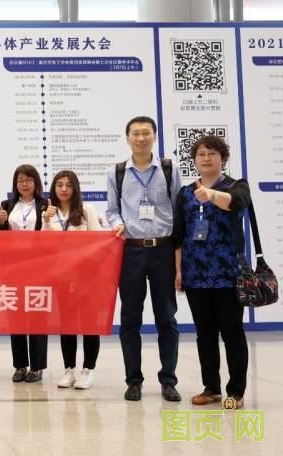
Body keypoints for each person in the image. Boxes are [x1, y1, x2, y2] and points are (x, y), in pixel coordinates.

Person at [105, 116, 182, 402]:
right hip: (131, 251)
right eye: (135, 134)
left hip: (163, 249)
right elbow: (112, 210)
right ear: (127, 139)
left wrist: (179, 257)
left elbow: (179, 210)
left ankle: (168, 380)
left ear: (154, 136)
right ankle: (133, 380)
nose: (141, 138)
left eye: (146, 133)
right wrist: (117, 224)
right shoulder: (117, 172)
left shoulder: (169, 169)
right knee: (130, 318)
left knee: (167, 318)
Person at [172, 135, 250, 408]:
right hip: (195, 274)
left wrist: (212, 195)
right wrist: (178, 270)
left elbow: (235, 203)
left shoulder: (236, 186)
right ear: (194, 160)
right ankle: (211, 388)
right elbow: (179, 235)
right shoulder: (185, 193)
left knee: (232, 332)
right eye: (201, 154)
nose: (206, 158)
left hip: (227, 273)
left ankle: (236, 391)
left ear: (222, 158)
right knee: (204, 334)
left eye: (212, 153)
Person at [41, 170, 102, 390]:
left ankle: (88, 369)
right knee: (67, 324)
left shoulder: (86, 210)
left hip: (86, 277)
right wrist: (46, 221)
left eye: (68, 185)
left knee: (89, 323)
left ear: (75, 188)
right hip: (62, 277)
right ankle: (69, 370)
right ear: (54, 189)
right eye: (59, 185)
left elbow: (99, 242)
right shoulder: (49, 212)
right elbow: (44, 246)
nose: (64, 189)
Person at [0, 164, 48, 383]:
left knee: (37, 316)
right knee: (15, 318)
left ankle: (37, 367)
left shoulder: (45, 205)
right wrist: (0, 222)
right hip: (13, 268)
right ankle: (20, 366)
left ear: (36, 183)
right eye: (20, 180)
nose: (24, 184)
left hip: (39, 268)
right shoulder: (7, 205)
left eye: (28, 180)